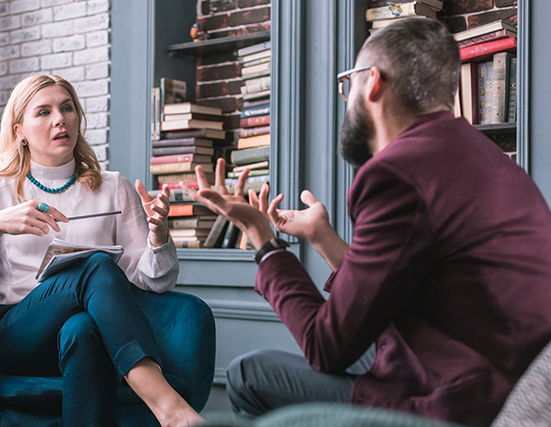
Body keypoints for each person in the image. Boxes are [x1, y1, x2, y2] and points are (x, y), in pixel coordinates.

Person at [182, 17, 551, 427]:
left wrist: (262, 239)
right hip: (504, 380)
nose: (346, 97)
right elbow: (388, 291)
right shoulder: (487, 160)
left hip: (455, 403)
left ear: (372, 82)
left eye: (348, 83)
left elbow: (325, 346)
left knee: (249, 373)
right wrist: (322, 237)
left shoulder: (396, 174)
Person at [0, 75, 204, 427]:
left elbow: (154, 282)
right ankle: (169, 407)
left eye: (67, 107)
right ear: (20, 130)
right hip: (20, 337)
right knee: (98, 266)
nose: (60, 119)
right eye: (43, 111)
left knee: (83, 328)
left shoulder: (114, 187)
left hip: (92, 334)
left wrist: (159, 236)